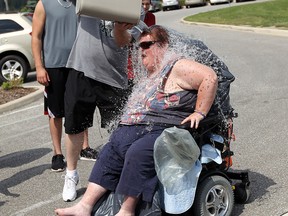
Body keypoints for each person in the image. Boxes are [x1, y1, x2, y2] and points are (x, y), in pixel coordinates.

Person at [55, 25, 218, 216]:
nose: (142, 50)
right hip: (139, 130)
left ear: (163, 45)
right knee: (110, 149)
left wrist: (199, 112)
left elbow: (209, 77)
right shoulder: (152, 73)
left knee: (137, 152)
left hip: (164, 130)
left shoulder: (177, 65)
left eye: (147, 45)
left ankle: (127, 210)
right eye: (140, 46)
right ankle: (84, 207)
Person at [61, 11, 148, 202]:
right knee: (74, 127)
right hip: (80, 69)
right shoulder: (88, 4)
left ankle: (118, 177)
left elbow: (123, 41)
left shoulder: (131, 7)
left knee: (120, 131)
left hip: (114, 79)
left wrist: (118, 27)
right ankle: (71, 174)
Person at [31, 0, 98, 172]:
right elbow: (36, 37)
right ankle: (57, 153)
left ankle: (84, 147)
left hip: (78, 64)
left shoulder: (81, 3)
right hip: (54, 66)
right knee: (56, 111)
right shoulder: (44, 4)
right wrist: (39, 67)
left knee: (80, 106)